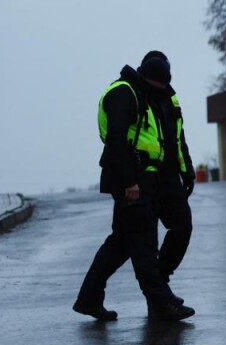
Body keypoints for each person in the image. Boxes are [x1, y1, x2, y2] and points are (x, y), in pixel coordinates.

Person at [73, 51, 197, 322]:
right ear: (144, 77)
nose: (161, 89)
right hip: (135, 178)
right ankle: (161, 301)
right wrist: (129, 180)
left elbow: (177, 138)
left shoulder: (167, 96)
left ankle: (90, 298)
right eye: (157, 85)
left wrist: (187, 173)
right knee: (142, 243)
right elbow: (116, 141)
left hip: (164, 177)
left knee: (163, 231)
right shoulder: (123, 93)